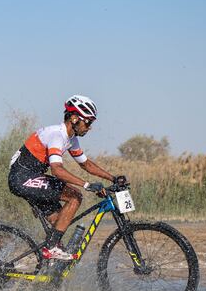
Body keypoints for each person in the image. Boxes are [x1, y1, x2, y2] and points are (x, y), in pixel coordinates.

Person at [8, 95, 125, 261]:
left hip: (31, 178)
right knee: (75, 196)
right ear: (75, 118)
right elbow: (57, 170)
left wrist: (113, 178)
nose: (89, 127)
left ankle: (50, 269)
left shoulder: (71, 138)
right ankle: (51, 248)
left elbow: (86, 165)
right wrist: (87, 185)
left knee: (59, 221)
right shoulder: (57, 135)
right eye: (88, 122)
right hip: (22, 178)